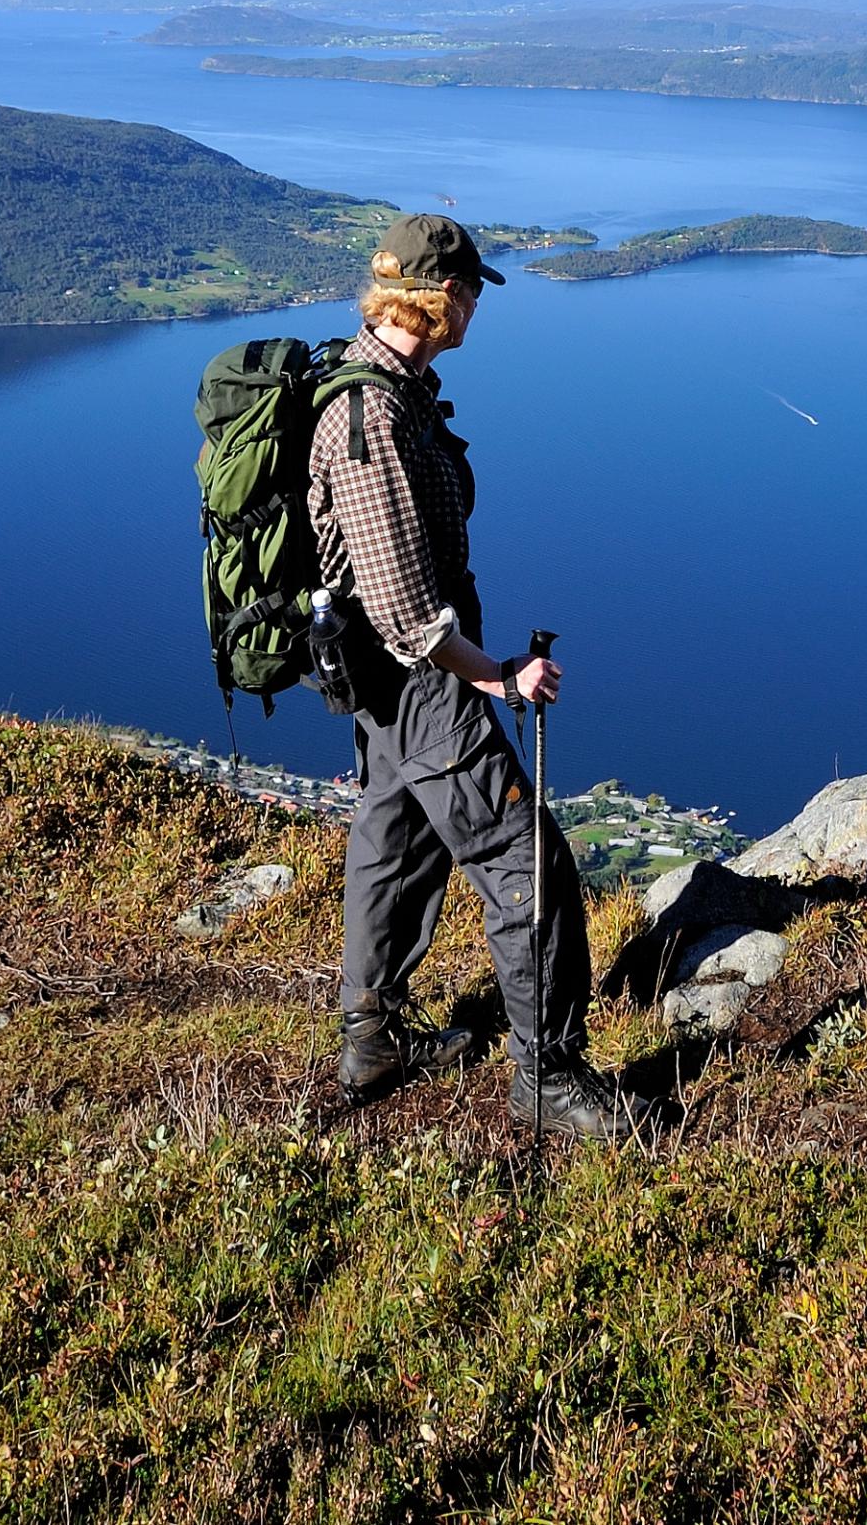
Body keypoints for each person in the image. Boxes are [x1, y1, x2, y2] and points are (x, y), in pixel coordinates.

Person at [311, 211, 628, 1136]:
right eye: (475, 288)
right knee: (525, 857)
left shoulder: (392, 390)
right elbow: (410, 616)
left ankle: (370, 1038)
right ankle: (548, 1076)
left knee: (394, 843)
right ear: (440, 295)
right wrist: (499, 677)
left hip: (386, 688)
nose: (481, 302)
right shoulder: (369, 417)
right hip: (419, 687)